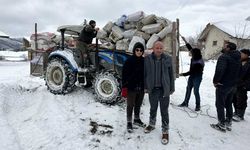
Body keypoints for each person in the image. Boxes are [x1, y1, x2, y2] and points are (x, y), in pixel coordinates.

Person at [144, 41, 175, 145]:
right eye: (157, 48)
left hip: (163, 90)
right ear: (153, 48)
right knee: (153, 108)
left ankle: (165, 130)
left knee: (164, 111)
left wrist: (171, 88)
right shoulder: (147, 59)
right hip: (153, 90)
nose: (159, 50)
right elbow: (145, 74)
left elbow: (171, 75)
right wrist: (145, 87)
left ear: (163, 49)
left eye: (161, 48)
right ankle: (152, 125)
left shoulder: (168, 58)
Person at [210, 41, 241, 132]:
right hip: (233, 85)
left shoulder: (224, 57)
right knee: (228, 103)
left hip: (223, 85)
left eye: (225, 46)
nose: (223, 47)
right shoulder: (238, 57)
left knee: (220, 104)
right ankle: (228, 122)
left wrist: (216, 81)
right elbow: (240, 71)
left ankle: (221, 124)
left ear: (228, 48)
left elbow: (220, 70)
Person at [122, 42, 145, 133]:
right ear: (134, 50)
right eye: (137, 50)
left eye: (141, 50)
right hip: (131, 87)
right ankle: (129, 122)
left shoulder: (144, 61)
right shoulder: (129, 61)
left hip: (141, 87)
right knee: (130, 105)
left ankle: (136, 119)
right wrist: (124, 86)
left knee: (138, 104)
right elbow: (124, 75)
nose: (139, 52)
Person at [178, 36, 204, 111]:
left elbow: (191, 72)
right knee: (188, 89)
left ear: (195, 54)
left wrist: (182, 74)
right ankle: (185, 102)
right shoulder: (195, 55)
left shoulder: (199, 62)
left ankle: (198, 105)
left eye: (192, 53)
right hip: (192, 76)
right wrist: (185, 41)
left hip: (197, 77)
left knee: (196, 91)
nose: (190, 53)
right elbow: (190, 48)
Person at [232, 49, 250, 121]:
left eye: (242, 53)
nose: (240, 55)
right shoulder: (239, 61)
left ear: (246, 55)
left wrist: (245, 84)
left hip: (244, 84)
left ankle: (240, 115)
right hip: (236, 83)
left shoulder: (249, 63)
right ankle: (236, 112)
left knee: (241, 99)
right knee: (234, 98)